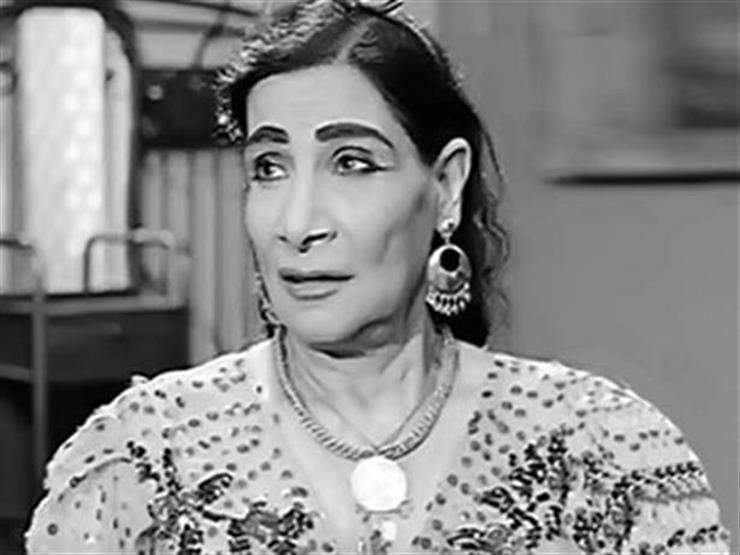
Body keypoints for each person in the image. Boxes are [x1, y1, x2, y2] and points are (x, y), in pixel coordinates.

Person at [25, 0, 731, 553]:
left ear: (445, 186)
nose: (297, 222)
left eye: (352, 163)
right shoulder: (140, 457)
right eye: (269, 168)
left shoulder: (604, 447)